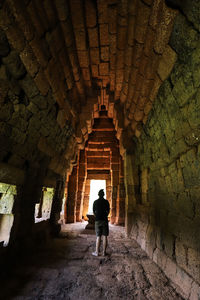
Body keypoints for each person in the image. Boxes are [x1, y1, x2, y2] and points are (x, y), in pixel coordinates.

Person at [92, 189, 110, 257]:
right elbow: (108, 211)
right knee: (105, 236)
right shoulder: (106, 202)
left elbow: (94, 211)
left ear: (98, 194)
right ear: (103, 195)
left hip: (98, 220)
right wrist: (105, 215)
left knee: (98, 236)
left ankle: (97, 252)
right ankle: (104, 252)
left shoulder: (95, 202)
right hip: (104, 220)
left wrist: (97, 216)